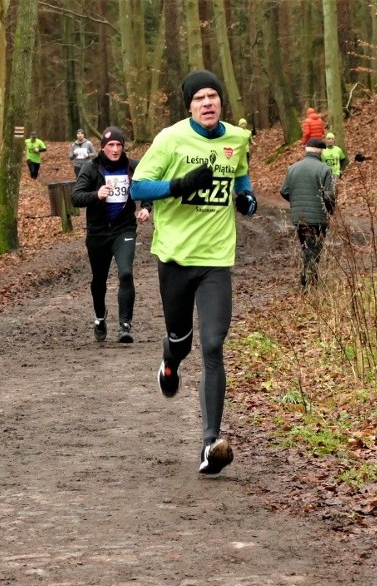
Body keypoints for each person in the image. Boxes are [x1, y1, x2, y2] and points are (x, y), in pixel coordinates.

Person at [130, 69, 255, 476]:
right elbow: (138, 187)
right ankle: (169, 363)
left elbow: (241, 179)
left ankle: (210, 443)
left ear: (221, 102)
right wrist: (178, 185)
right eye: (199, 97)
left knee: (214, 345)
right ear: (189, 105)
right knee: (180, 341)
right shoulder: (169, 139)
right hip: (176, 259)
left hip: (217, 259)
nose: (207, 103)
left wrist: (247, 198)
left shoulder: (236, 138)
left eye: (213, 96)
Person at [71, 126, 152, 343]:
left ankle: (125, 325)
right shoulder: (91, 168)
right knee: (99, 279)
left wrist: (146, 207)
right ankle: (100, 317)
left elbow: (148, 186)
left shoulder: (133, 166)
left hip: (123, 229)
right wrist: (96, 195)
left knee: (125, 273)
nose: (115, 149)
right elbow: (76, 197)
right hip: (97, 233)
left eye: (119, 145)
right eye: (111, 146)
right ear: (103, 148)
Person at [280, 138, 336, 292]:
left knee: (306, 247)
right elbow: (329, 196)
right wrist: (330, 211)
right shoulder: (324, 169)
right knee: (315, 249)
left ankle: (312, 280)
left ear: (306, 150)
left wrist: (297, 202)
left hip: (298, 216)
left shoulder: (292, 168)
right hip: (318, 217)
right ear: (321, 151)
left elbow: (284, 191)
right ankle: (306, 282)